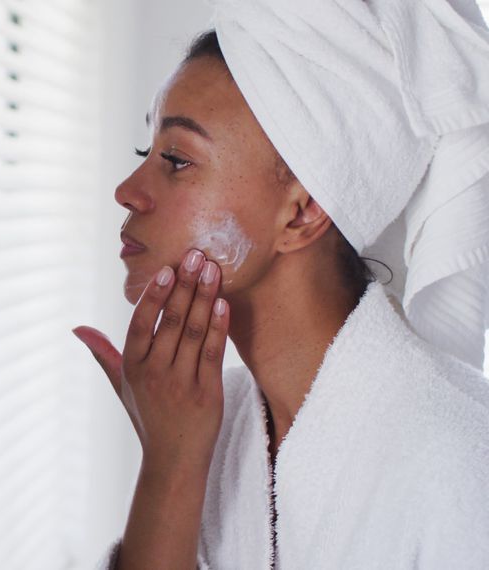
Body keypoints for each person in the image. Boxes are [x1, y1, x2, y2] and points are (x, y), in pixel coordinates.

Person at [73, 0, 489, 568]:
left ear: (302, 211)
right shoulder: (211, 423)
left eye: (175, 159)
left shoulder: (463, 465)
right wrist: (171, 467)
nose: (127, 189)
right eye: (146, 152)